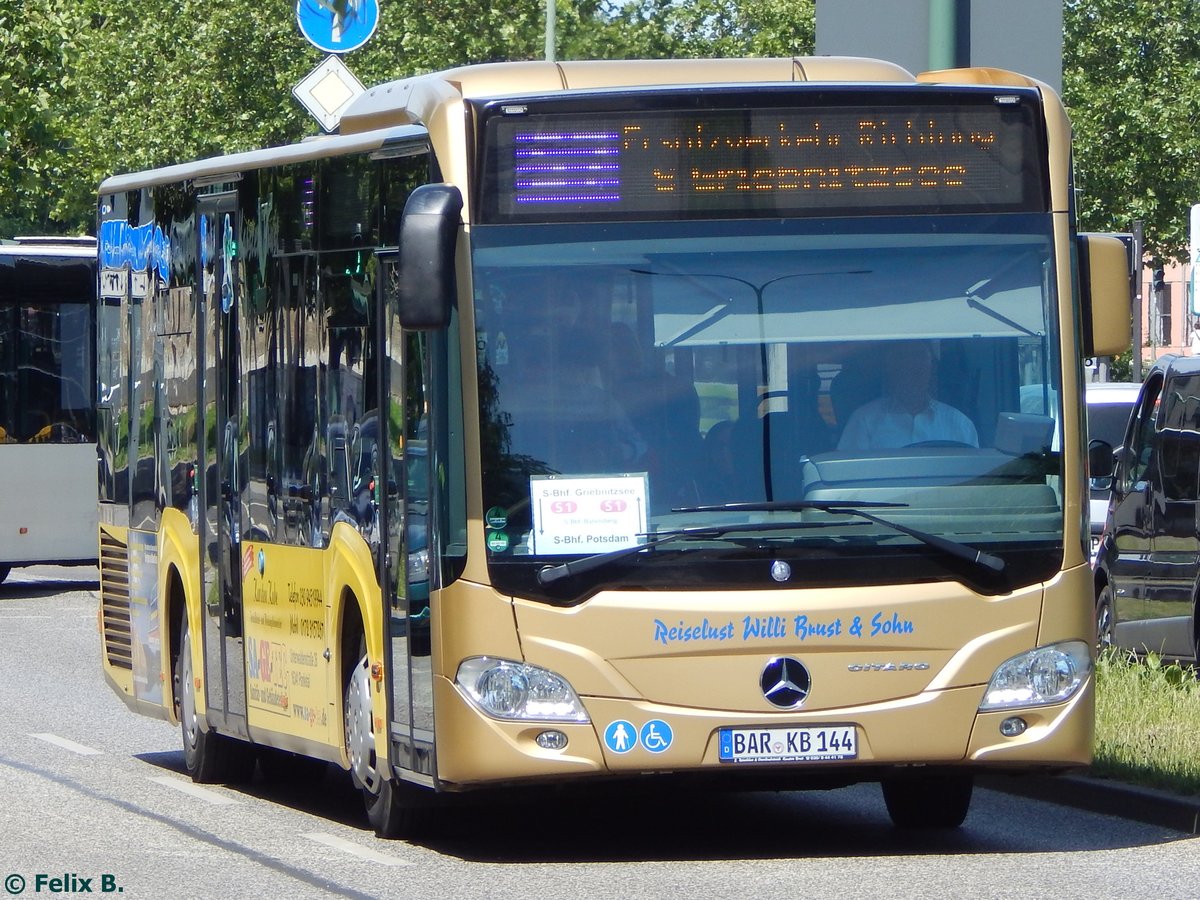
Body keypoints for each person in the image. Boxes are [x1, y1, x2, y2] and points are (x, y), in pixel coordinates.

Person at [837, 340, 978, 450]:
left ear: (932, 367)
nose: (910, 365)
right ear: (888, 368)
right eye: (901, 357)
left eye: (919, 356)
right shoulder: (863, 421)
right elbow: (846, 477)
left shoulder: (959, 424)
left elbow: (973, 480)